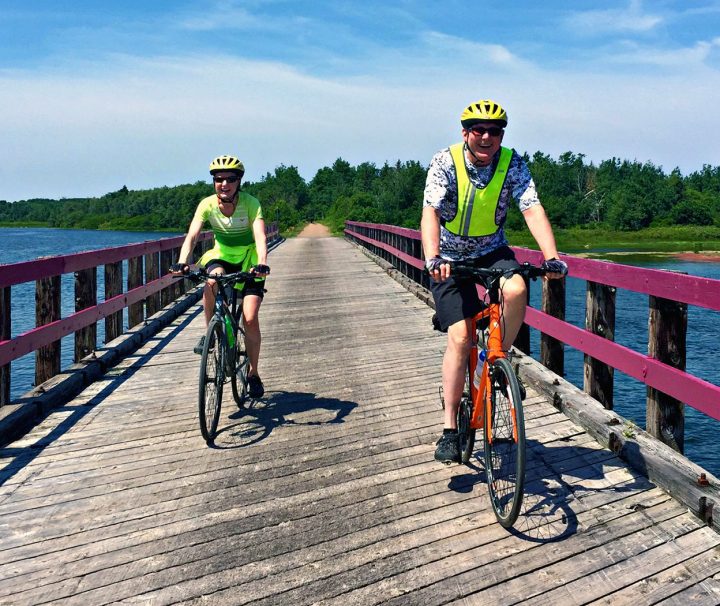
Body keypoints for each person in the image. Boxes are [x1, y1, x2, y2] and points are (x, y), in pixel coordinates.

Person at [421, 99, 568, 464]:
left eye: (495, 131)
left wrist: (551, 256)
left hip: (491, 250)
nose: (486, 137)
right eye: (478, 130)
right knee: (460, 337)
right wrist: (433, 258)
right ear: (465, 132)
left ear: (502, 134)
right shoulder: (445, 161)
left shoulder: (512, 162)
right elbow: (431, 212)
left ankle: (499, 355)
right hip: (450, 258)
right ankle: (449, 430)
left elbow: (531, 206)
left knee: (517, 287)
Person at [171, 155, 270, 399]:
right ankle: (212, 333)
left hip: (250, 259)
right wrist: (183, 261)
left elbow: (260, 237)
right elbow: (193, 235)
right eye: (218, 179)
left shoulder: (251, 203)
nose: (224, 184)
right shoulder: (206, 204)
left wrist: (262, 263)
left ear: (239, 182)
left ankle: (253, 373)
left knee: (250, 317)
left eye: (230, 179)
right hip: (222, 254)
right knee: (212, 281)